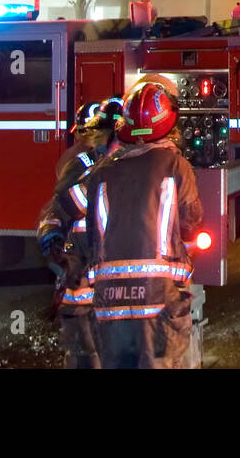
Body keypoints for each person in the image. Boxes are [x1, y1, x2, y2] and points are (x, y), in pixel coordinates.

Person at [58, 80, 202, 369]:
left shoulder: (102, 172)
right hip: (159, 301)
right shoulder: (176, 166)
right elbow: (191, 221)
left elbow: (70, 206)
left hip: (110, 305)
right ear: (168, 126)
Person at [37, 97, 125, 369]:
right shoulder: (82, 164)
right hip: (84, 276)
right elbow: (58, 207)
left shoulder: (128, 164)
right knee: (85, 351)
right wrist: (53, 242)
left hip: (111, 279)